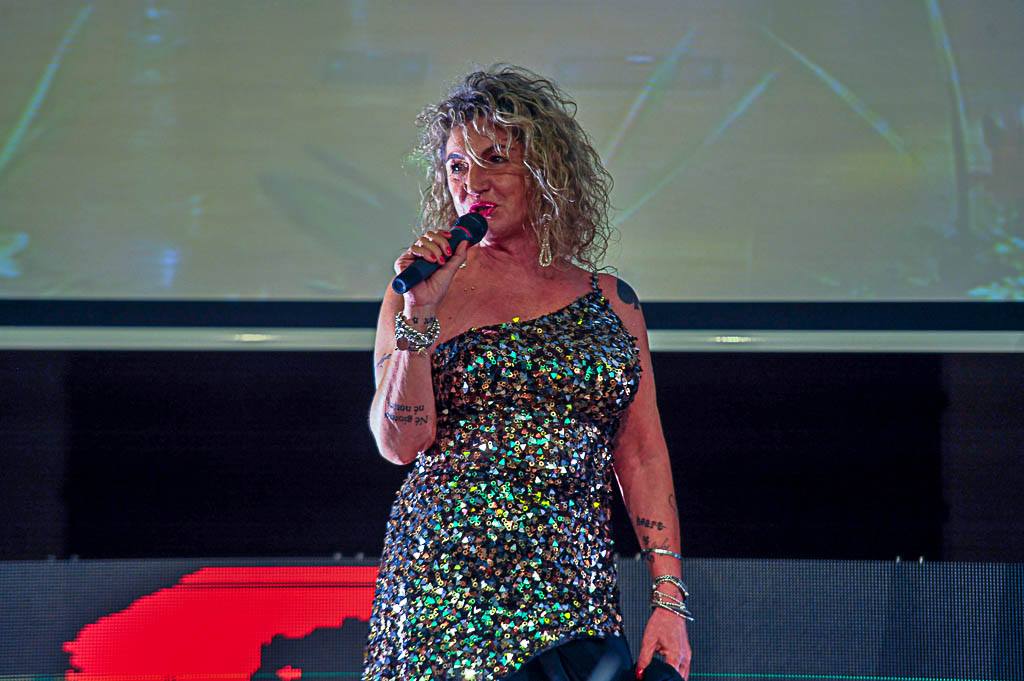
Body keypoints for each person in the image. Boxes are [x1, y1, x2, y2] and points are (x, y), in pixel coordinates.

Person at [365, 65, 692, 681]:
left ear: (545, 169)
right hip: (450, 595)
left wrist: (668, 600)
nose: (472, 183)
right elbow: (399, 443)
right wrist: (420, 315)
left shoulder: (611, 302)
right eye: (457, 166)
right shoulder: (422, 290)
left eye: (494, 160)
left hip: (578, 592)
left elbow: (642, 452)